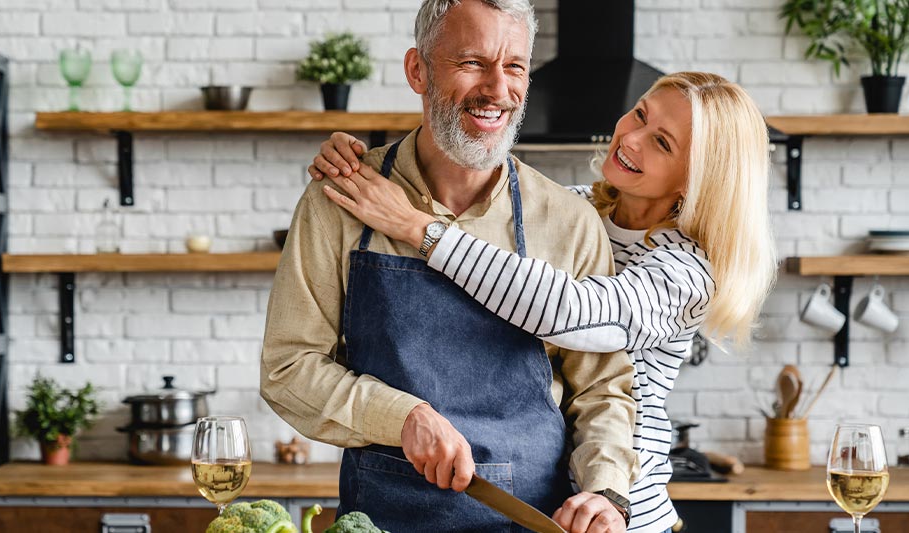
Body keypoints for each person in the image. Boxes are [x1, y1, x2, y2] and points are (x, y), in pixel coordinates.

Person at [307, 71, 777, 533]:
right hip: (545, 497)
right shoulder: (573, 210)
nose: (631, 139)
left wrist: (415, 226)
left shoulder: (685, 272)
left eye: (663, 143)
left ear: (698, 179)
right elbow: (474, 231)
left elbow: (565, 313)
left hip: (617, 511)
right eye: (639, 115)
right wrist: (368, 167)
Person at [262, 1, 640, 533]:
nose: (497, 88)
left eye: (514, 66)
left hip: (531, 521)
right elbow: (288, 367)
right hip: (382, 521)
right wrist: (403, 417)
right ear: (417, 70)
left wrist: (606, 492)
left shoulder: (567, 220)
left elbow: (601, 389)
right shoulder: (342, 197)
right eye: (471, 62)